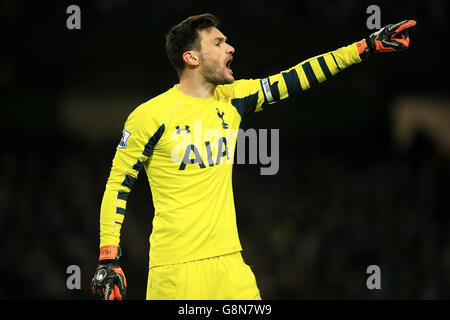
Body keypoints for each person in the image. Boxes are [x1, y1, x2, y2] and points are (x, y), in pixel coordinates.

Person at [91, 13, 416, 300]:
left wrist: (363, 48)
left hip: (231, 264)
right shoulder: (150, 116)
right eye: (218, 43)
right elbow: (118, 186)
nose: (230, 48)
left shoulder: (234, 98)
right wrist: (109, 257)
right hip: (176, 270)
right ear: (192, 57)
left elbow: (297, 77)